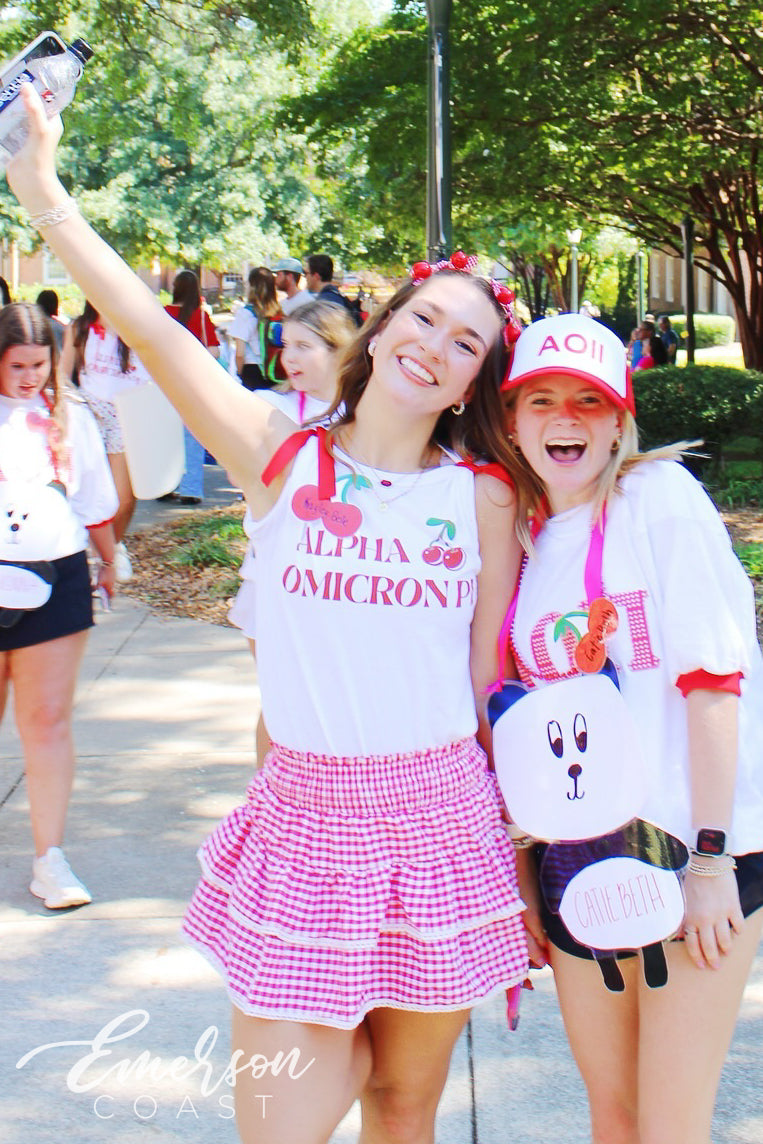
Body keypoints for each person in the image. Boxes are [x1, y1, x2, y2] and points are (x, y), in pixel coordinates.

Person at [6, 84, 533, 1144]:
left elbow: (492, 683)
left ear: (472, 382)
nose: (436, 344)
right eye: (424, 317)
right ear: (381, 329)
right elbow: (149, 328)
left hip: (441, 825)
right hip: (303, 830)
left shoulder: (482, 498)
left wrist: (528, 852)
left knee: (403, 1109)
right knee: (277, 1125)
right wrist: (38, 184)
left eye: (467, 343)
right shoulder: (277, 457)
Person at [500, 312, 763, 1144]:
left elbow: (713, 680)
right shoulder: (521, 537)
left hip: (691, 853)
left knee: (668, 1126)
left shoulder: (658, 499)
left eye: (588, 399)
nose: (564, 418)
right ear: (513, 419)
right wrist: (524, 875)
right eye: (541, 399)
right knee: (612, 1119)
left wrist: (711, 863)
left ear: (619, 420)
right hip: (579, 864)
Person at [0, 301, 118, 908]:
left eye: (38, 365)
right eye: (16, 366)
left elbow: (94, 501)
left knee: (46, 720)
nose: (29, 377)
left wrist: (111, 559)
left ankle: (50, 859)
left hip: (55, 578)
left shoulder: (72, 418)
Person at [228, 300, 357, 763]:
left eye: (305, 346)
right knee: (281, 700)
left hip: (346, 578)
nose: (290, 358)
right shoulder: (269, 408)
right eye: (286, 346)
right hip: (274, 576)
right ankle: (269, 795)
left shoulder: (368, 416)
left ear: (340, 349)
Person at [59, 302, 151, 582]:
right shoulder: (80, 328)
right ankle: (90, 555)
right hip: (90, 411)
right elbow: (62, 374)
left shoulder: (137, 328)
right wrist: (69, 407)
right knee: (85, 490)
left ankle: (113, 547)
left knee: (124, 497)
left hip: (127, 414)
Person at [164, 269, 220, 505]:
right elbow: (214, 350)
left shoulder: (163, 314)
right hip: (194, 382)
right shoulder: (201, 317)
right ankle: (191, 489)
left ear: (175, 288)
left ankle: (166, 484)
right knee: (193, 437)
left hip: (165, 381)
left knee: (166, 435)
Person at [228, 266, 282, 391]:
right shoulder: (278, 312)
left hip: (252, 371)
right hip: (275, 371)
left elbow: (240, 354)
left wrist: (240, 374)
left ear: (251, 286)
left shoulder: (245, 313)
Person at [304, 253, 363, 326]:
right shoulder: (336, 296)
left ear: (316, 276)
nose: (305, 277)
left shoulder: (325, 303)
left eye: (306, 273)